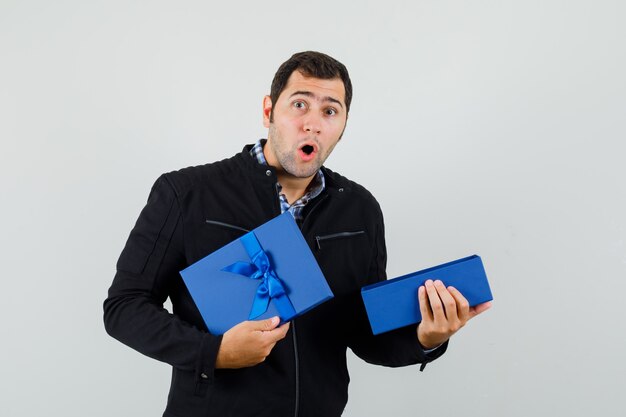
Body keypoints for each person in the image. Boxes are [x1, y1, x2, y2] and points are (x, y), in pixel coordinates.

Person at [103, 51, 491, 417]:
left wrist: (428, 336)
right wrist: (214, 351)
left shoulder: (360, 210)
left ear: (342, 125)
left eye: (330, 111)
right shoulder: (186, 193)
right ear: (269, 110)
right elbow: (124, 308)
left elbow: (366, 333)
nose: (313, 123)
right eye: (300, 104)